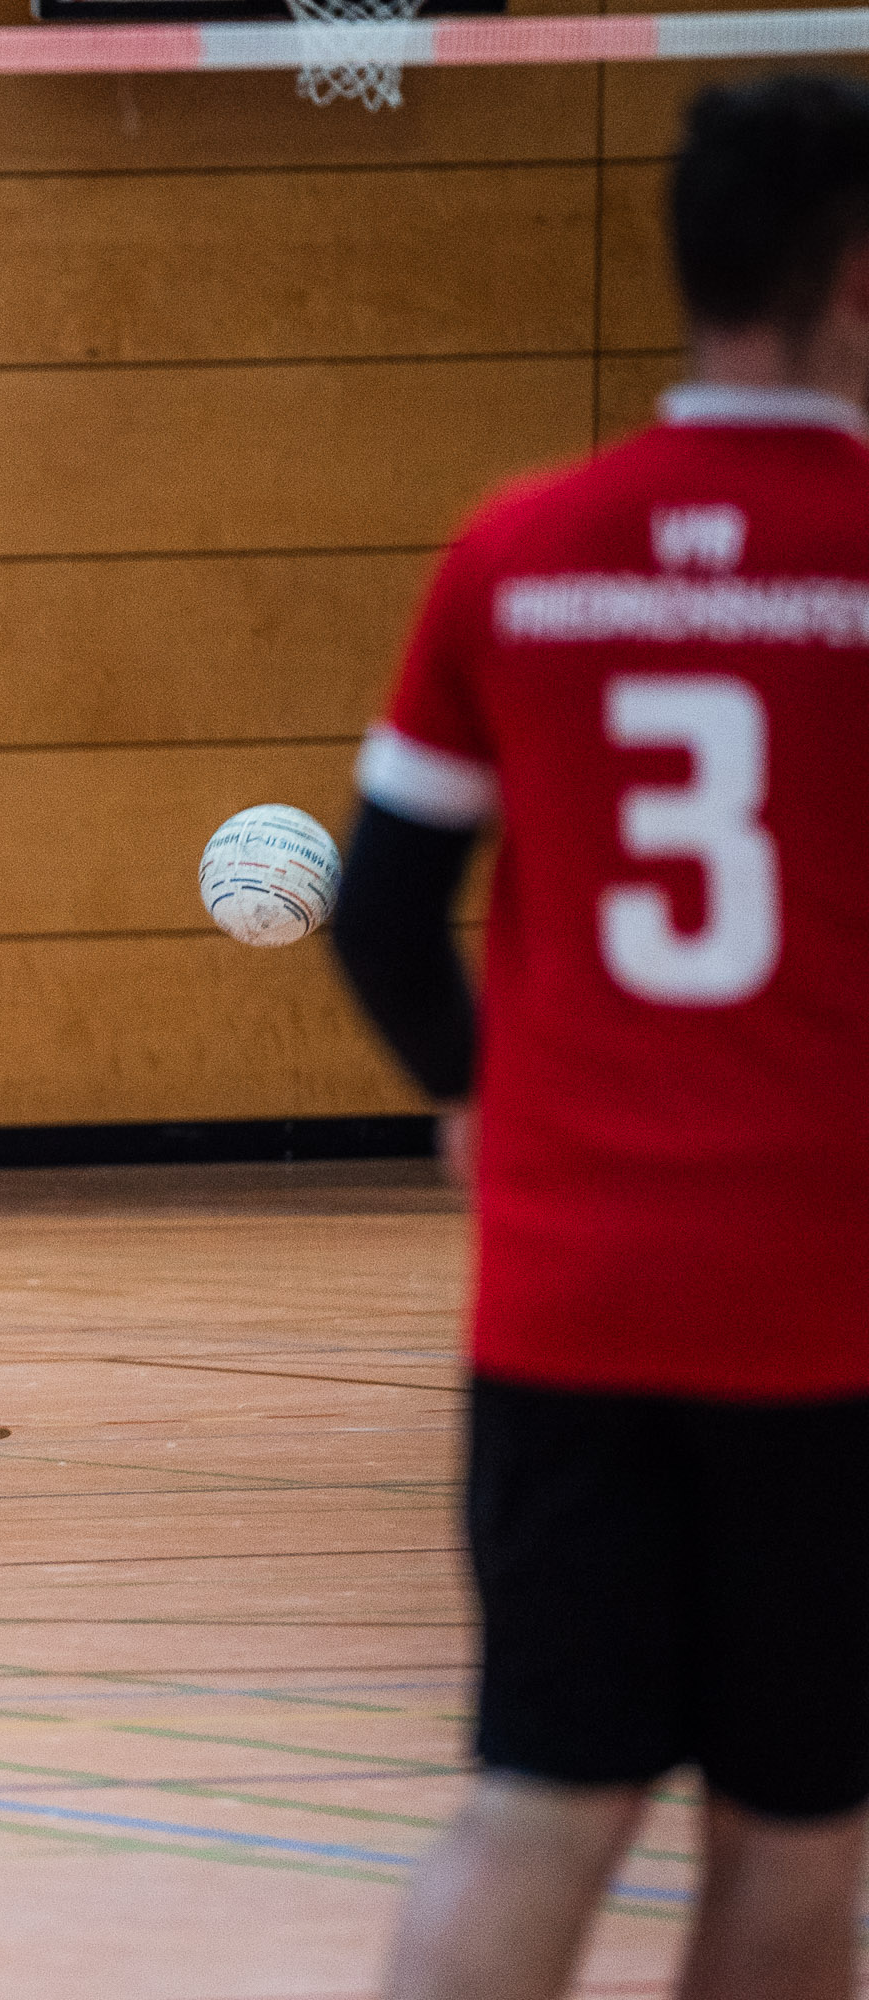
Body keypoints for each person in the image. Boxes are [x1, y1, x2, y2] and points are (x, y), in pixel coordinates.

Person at [330, 75, 869, 2000]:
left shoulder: (525, 548)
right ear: (852, 274)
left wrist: (475, 1090)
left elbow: (383, 915)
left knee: (539, 1805)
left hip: (570, 1304)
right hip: (824, 1307)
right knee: (796, 1835)